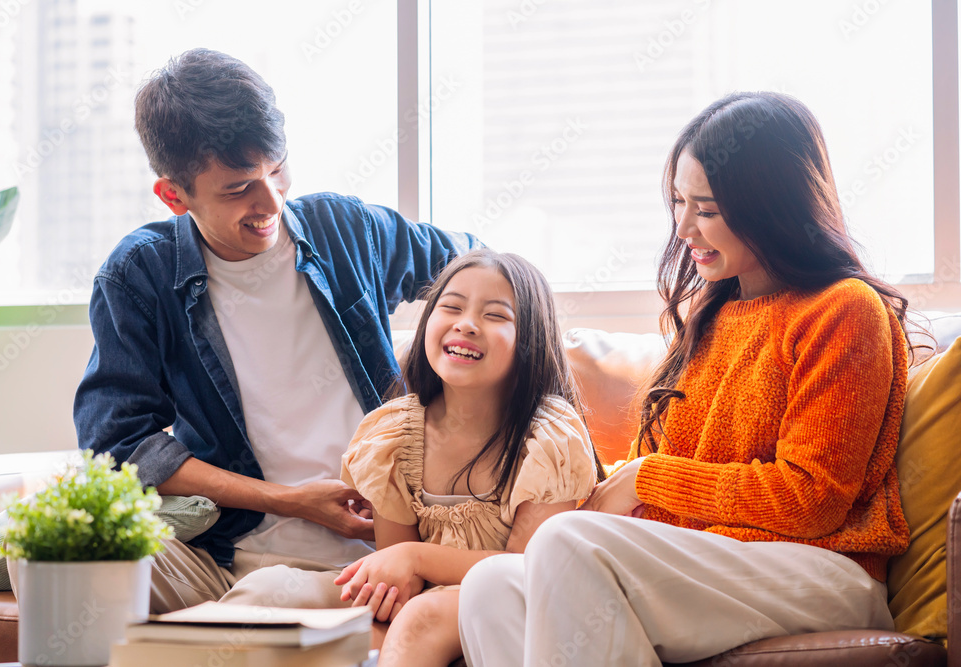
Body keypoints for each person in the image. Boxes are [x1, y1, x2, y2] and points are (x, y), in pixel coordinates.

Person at [457, 92, 919, 666]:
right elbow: (656, 470)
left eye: (706, 209)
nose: (682, 228)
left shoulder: (843, 311)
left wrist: (647, 478)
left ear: (770, 206)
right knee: (490, 587)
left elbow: (812, 500)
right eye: (678, 202)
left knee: (566, 544)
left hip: (821, 568)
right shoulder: (711, 318)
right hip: (708, 561)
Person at [72, 48, 479, 613]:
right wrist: (289, 501)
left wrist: (447, 378)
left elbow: (479, 266)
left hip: (388, 550)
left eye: (277, 168)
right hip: (226, 556)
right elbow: (120, 447)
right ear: (174, 196)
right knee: (55, 551)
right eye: (239, 188)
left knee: (259, 605)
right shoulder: (140, 275)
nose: (271, 201)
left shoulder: (345, 229)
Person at [336, 249, 604, 666]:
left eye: (495, 315)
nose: (466, 323)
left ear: (530, 341)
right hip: (428, 594)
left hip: (512, 595)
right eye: (452, 306)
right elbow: (398, 577)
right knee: (346, 620)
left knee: (422, 618)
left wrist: (416, 558)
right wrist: (397, 578)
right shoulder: (391, 435)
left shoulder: (547, 436)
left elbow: (524, 569)